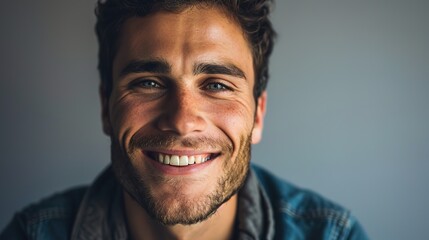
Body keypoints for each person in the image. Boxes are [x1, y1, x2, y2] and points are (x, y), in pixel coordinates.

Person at [0, 0, 369, 239]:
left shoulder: (333, 234)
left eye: (217, 84)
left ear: (258, 115)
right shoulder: (33, 233)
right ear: (105, 106)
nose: (182, 120)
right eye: (148, 83)